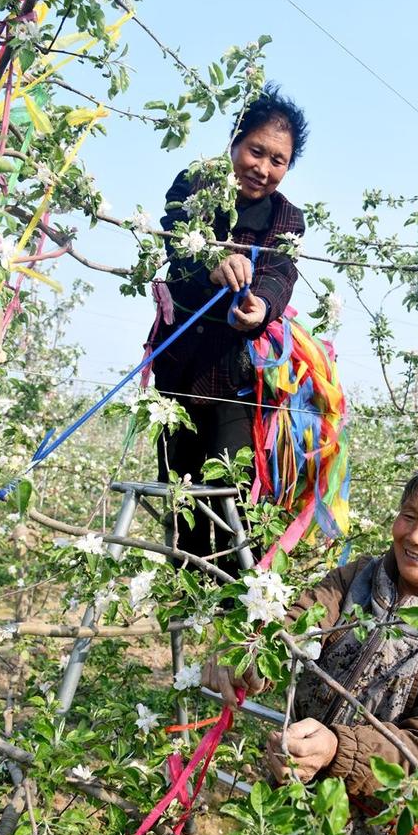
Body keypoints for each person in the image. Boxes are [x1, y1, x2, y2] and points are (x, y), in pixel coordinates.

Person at [202, 457, 418, 835]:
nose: (416, 537)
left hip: (388, 833)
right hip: (304, 796)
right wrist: (246, 654)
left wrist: (338, 750)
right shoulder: (358, 578)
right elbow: (294, 626)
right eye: (408, 516)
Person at [149, 83, 308, 561]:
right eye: (256, 151)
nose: (263, 168)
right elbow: (176, 241)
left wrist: (259, 306)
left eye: (278, 160)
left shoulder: (288, 220)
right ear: (235, 143)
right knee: (182, 491)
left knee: (235, 490)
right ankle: (185, 595)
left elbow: (281, 275)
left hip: (236, 379)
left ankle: (239, 606)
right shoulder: (195, 186)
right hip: (179, 370)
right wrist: (211, 266)